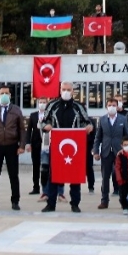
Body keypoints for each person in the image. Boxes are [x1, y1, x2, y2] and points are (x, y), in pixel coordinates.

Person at [41, 81, 92, 212]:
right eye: (64, 89)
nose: (66, 92)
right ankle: (51, 204)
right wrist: (46, 127)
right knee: (53, 175)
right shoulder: (52, 105)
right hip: (56, 146)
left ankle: (75, 203)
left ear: (73, 91)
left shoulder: (78, 106)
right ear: (60, 89)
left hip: (74, 145)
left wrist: (88, 127)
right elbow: (43, 122)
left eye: (69, 89)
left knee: (75, 175)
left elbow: (87, 122)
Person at [93, 97, 128, 210]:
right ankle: (104, 201)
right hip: (106, 152)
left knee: (122, 176)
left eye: (114, 105)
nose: (112, 107)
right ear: (106, 106)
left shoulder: (123, 119)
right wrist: (95, 151)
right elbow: (98, 137)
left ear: (117, 106)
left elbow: (127, 136)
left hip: (119, 152)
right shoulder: (103, 119)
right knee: (105, 177)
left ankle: (123, 200)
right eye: (110, 105)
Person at [24, 98, 46, 196]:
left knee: (46, 166)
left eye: (44, 102)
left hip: (46, 144)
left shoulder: (50, 114)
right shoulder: (33, 115)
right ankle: (36, 187)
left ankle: (46, 188)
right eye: (40, 102)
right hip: (35, 144)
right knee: (36, 166)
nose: (42, 104)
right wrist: (27, 143)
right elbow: (29, 130)